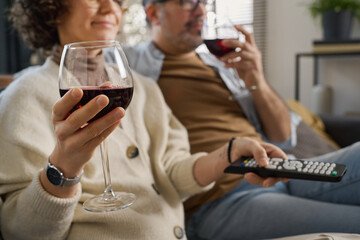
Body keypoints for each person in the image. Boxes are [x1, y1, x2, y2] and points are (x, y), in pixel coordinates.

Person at [0, 0, 297, 239]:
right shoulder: (22, 97)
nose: (110, 8)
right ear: (50, 9)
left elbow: (173, 171)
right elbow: (23, 232)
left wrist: (228, 153)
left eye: (116, 0)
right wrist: (64, 168)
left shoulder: (143, 87)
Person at [122, 0, 360, 239]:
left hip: (279, 170)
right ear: (153, 12)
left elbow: (284, 137)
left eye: (203, 2)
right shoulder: (127, 64)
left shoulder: (222, 65)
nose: (201, 10)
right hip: (221, 200)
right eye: (187, 2)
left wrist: (257, 78)